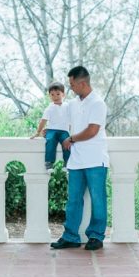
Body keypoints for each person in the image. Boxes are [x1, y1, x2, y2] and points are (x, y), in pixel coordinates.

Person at [50, 66, 110, 251]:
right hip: (76, 160)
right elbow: (59, 117)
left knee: (98, 199)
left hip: (95, 160)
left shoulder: (97, 103)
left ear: (82, 83)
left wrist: (72, 138)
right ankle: (71, 237)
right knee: (73, 200)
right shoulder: (73, 104)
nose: (71, 88)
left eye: (72, 84)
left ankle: (96, 236)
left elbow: (92, 130)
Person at [31, 82, 71, 170]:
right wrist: (38, 132)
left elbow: (72, 120)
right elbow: (43, 121)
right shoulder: (49, 108)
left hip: (64, 131)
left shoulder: (67, 106)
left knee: (67, 142)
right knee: (50, 141)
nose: (55, 97)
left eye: (58, 94)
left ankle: (68, 163)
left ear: (63, 94)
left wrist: (72, 132)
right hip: (52, 130)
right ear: (49, 96)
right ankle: (49, 162)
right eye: (52, 94)